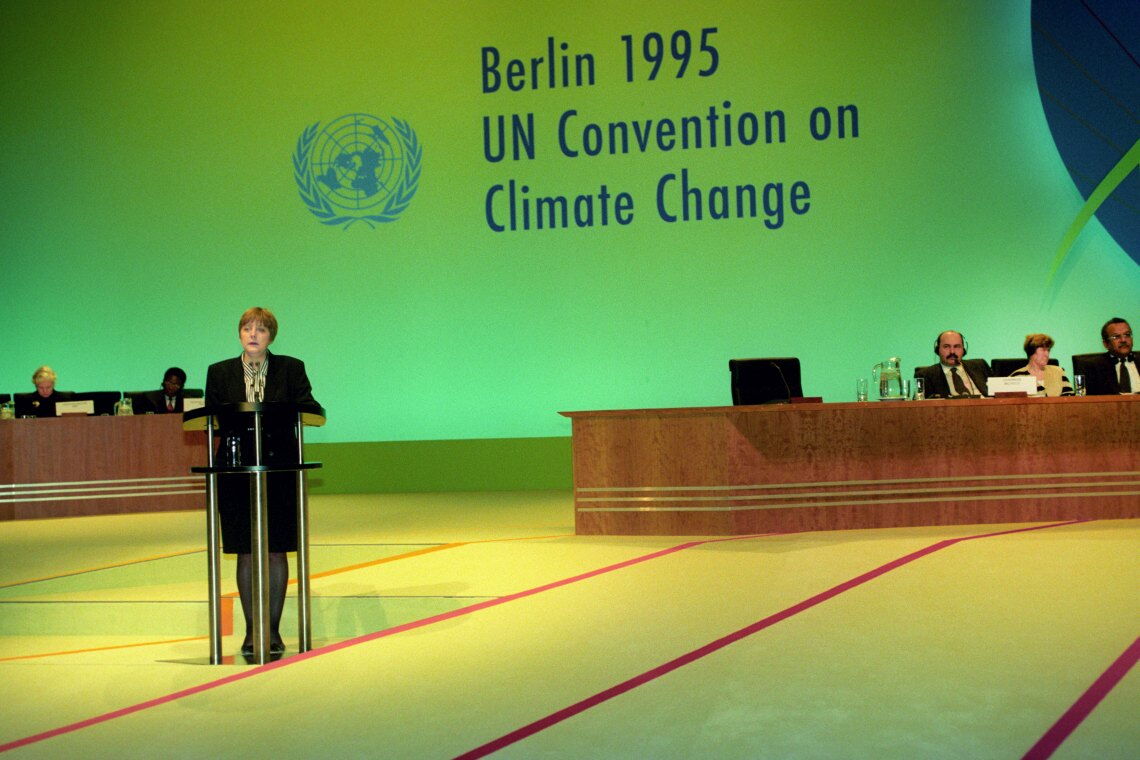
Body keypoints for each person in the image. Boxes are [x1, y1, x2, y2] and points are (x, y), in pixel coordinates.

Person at [205, 307, 317, 656]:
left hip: (279, 466)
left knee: (274, 548)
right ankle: (253, 631)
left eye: (261, 330)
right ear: (239, 333)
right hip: (237, 468)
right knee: (246, 550)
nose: (253, 334)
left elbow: (308, 405)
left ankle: (273, 630)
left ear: (271, 336)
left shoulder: (291, 368)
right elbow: (211, 414)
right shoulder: (219, 371)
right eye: (247, 328)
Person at [914, 330, 990, 398]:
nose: (952, 352)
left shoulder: (980, 366)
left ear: (963, 349)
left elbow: (998, 392)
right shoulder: (925, 375)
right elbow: (918, 405)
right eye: (946, 347)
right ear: (938, 350)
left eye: (957, 346)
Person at [1083, 317, 1136, 395]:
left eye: (1127, 335)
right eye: (1116, 337)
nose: (1123, 340)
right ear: (1105, 344)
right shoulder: (1094, 368)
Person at [1008, 334, 1073, 397]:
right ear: (1031, 351)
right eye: (1043, 350)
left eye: (1048, 350)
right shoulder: (1017, 376)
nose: (1047, 354)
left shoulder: (1059, 372)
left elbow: (1070, 399)